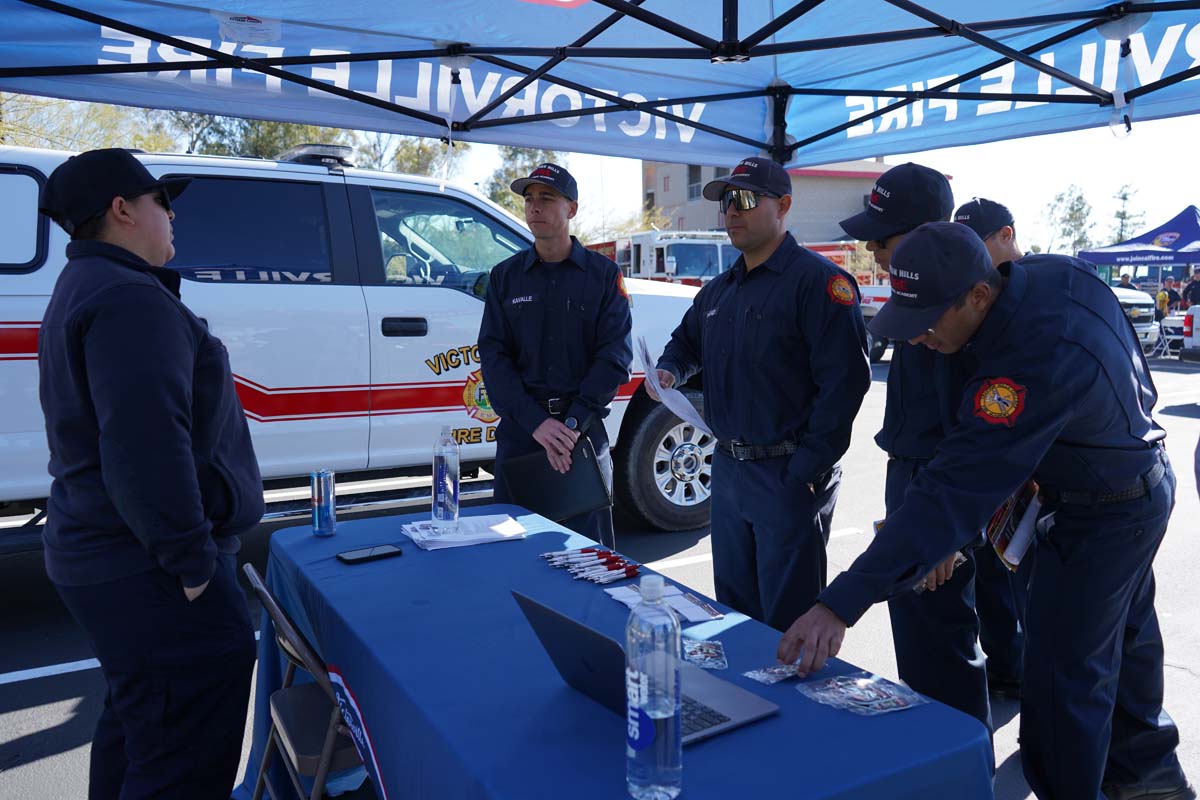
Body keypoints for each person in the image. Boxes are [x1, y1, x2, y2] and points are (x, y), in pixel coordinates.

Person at [780, 222, 1193, 800]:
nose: (920, 338)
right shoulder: (1052, 275)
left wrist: (839, 604)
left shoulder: (1035, 354)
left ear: (977, 294)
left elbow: (952, 488)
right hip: (1127, 479)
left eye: (927, 321)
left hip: (1107, 512)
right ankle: (1151, 782)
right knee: (1124, 651)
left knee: (1059, 687)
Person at [36, 148, 263, 799]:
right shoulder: (128, 297)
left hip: (110, 554)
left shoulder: (89, 285)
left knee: (141, 727)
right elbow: (146, 445)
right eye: (163, 201)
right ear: (123, 209)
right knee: (180, 757)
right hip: (148, 565)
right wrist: (191, 564)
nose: (172, 216)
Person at [650, 155, 870, 632]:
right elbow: (686, 343)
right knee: (734, 614)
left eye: (745, 199)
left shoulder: (819, 283)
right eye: (727, 201)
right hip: (728, 472)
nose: (732, 211)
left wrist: (805, 471)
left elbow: (846, 383)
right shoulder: (719, 291)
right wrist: (669, 370)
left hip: (786, 474)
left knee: (790, 624)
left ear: (784, 205)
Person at [839, 165, 994, 729]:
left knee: (944, 641)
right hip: (907, 478)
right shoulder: (915, 301)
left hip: (944, 492)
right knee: (915, 635)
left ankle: (963, 769)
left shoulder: (963, 313)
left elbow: (974, 448)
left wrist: (950, 536)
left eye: (883, 237)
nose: (873, 250)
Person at [478, 163, 632, 550]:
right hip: (522, 436)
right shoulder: (504, 277)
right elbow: (494, 358)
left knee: (588, 561)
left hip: (580, 437)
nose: (535, 207)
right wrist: (537, 425)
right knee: (513, 557)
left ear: (572, 209)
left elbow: (614, 357)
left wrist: (571, 425)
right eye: (529, 199)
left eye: (547, 198)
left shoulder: (603, 275)